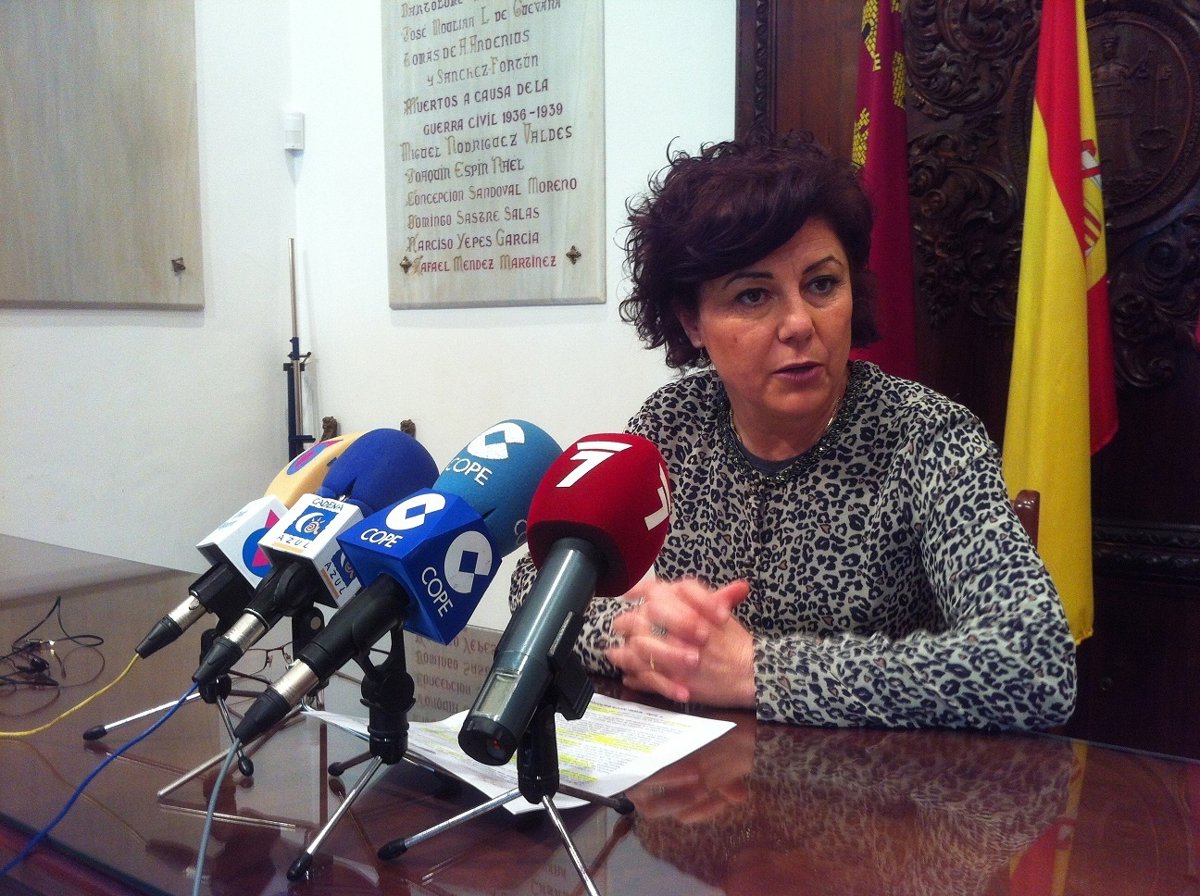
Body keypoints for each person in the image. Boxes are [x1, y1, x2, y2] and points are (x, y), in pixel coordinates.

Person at [509, 130, 1076, 730]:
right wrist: (650, 641)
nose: (800, 324)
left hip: (872, 779)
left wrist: (757, 670)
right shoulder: (674, 425)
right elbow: (536, 589)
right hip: (701, 770)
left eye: (822, 284)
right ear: (692, 321)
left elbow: (1034, 666)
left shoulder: (926, 436)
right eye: (753, 295)